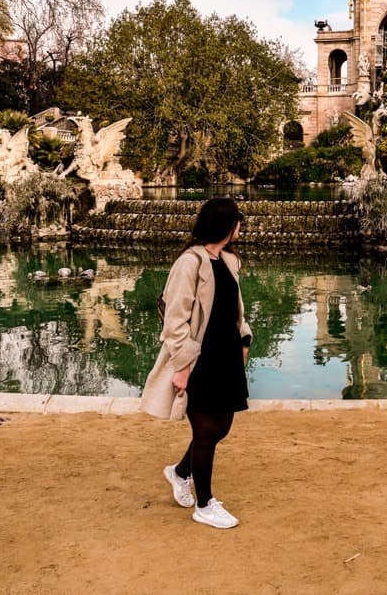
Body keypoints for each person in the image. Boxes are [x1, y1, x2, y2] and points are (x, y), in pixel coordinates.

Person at [140, 197, 252, 529]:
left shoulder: (228, 261)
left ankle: (179, 472)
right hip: (200, 358)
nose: (240, 228)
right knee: (205, 430)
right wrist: (183, 367)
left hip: (227, 356)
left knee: (222, 428)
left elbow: (235, 309)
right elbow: (174, 322)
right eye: (237, 222)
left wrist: (244, 339)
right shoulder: (190, 263)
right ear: (227, 226)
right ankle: (204, 505)